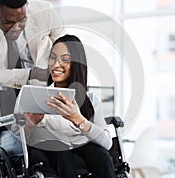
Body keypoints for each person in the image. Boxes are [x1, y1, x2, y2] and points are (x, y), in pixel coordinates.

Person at [0, 0, 65, 147]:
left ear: (27, 10)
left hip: (40, 85)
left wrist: (60, 70)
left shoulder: (45, 11)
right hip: (5, 86)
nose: (15, 28)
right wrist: (31, 74)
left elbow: (65, 46)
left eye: (22, 21)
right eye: (8, 22)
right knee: (0, 144)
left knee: (45, 139)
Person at [24, 34, 116, 178]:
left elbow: (107, 143)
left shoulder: (90, 100)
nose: (55, 65)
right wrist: (30, 125)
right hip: (51, 148)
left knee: (102, 156)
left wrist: (78, 119)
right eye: (53, 58)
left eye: (65, 60)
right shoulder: (37, 95)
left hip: (80, 144)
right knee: (61, 151)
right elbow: (20, 138)